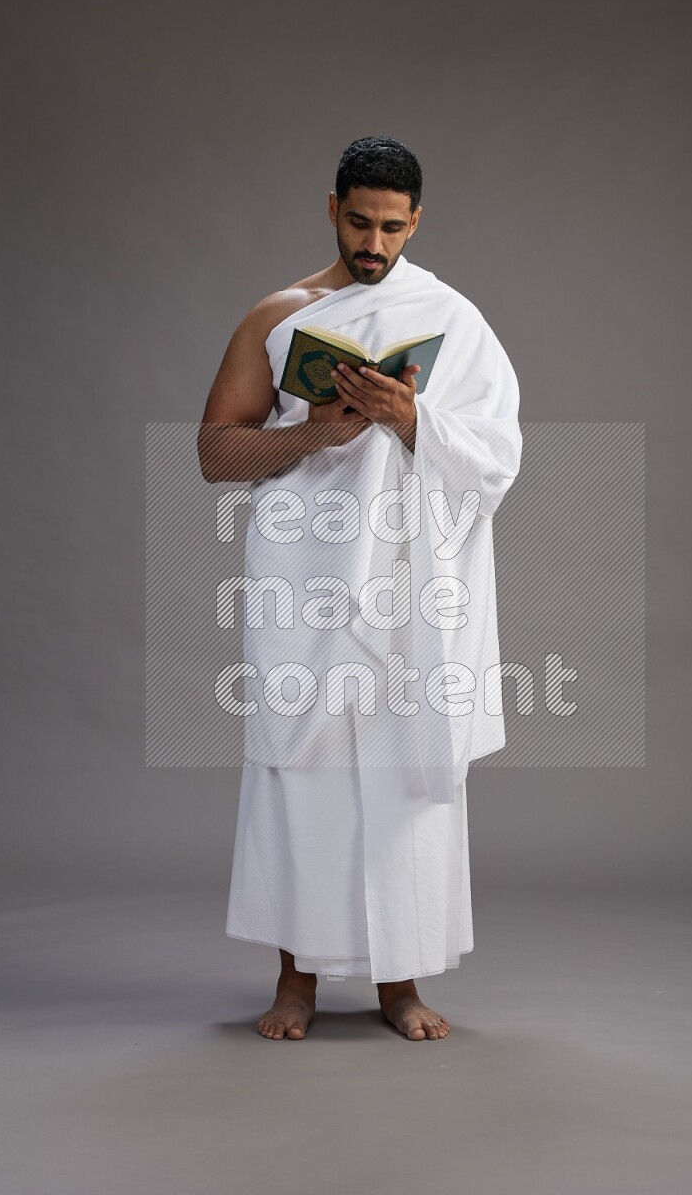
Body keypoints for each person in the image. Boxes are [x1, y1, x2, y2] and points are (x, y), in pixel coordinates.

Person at [199, 136, 522, 1041]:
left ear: (416, 221)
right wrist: (316, 434)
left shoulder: (455, 319)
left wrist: (411, 416)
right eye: (357, 221)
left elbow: (499, 457)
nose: (373, 242)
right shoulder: (281, 314)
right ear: (331, 207)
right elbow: (215, 452)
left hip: (415, 591)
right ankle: (295, 983)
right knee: (302, 772)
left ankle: (399, 984)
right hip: (306, 583)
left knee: (405, 774)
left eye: (391, 226)